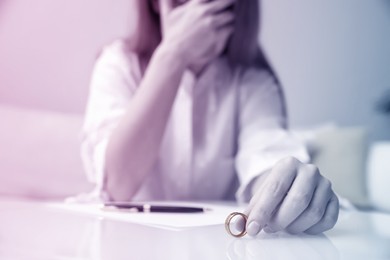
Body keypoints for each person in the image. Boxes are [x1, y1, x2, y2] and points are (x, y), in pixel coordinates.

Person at [81, 0, 339, 236]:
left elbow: (265, 155)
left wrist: (285, 189)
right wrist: (173, 53)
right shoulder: (118, 64)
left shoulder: (253, 81)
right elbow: (117, 184)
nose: (197, 17)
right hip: (124, 240)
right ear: (156, 5)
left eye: (209, 4)